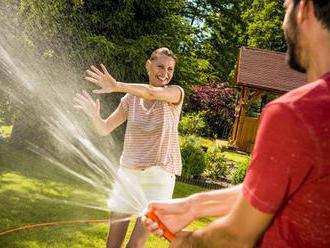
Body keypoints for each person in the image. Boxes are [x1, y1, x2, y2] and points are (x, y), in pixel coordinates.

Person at [143, 0, 330, 247]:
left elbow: (236, 235)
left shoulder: (294, 113)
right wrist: (194, 205)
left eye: (286, 7)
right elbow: (273, 189)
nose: (284, 21)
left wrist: (190, 242)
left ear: (304, 9)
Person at [73, 47, 184, 248]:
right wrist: (93, 115)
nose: (165, 73)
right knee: (112, 244)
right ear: (148, 66)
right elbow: (105, 128)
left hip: (159, 179)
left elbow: (151, 93)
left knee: (135, 245)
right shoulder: (131, 99)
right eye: (160, 66)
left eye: (170, 69)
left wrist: (116, 85)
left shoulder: (175, 94)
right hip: (128, 175)